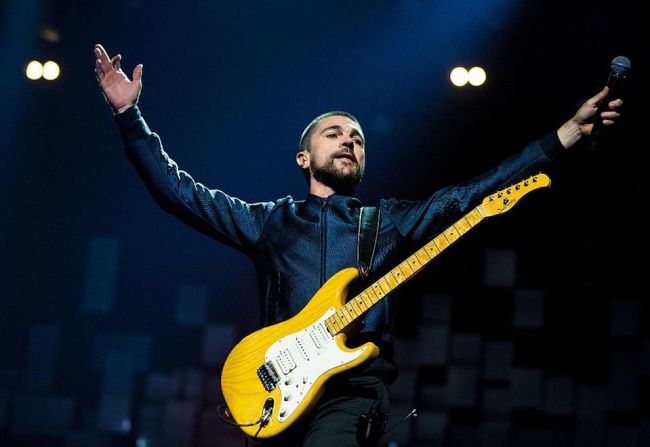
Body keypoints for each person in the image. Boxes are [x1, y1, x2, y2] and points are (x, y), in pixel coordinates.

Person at [93, 43, 623, 446]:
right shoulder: (269, 222)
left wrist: (561, 140)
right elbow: (178, 193)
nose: (349, 139)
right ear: (303, 158)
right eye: (335, 133)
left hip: (352, 394)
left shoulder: (386, 223)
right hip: (275, 389)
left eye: (357, 138)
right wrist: (128, 117)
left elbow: (470, 196)